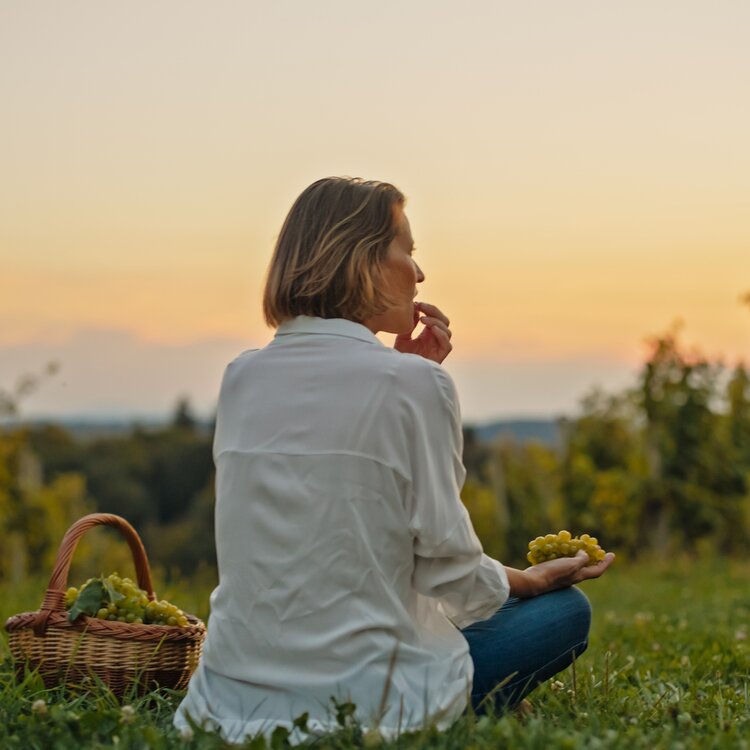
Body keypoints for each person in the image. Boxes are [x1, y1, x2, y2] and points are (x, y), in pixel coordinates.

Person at [174, 177, 614, 743]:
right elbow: (447, 568)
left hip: (232, 694)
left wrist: (411, 374)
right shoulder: (414, 385)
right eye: (407, 250)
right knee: (566, 613)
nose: (419, 272)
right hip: (371, 698)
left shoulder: (241, 377)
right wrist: (527, 584)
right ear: (360, 261)